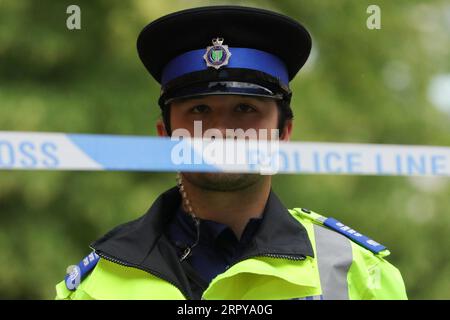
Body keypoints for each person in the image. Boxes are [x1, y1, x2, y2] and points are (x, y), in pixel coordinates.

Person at [56, 5, 407, 300]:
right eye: (199, 111)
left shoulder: (363, 277)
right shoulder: (94, 287)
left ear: (283, 134)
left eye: (244, 109)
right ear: (165, 137)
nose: (222, 132)